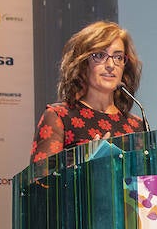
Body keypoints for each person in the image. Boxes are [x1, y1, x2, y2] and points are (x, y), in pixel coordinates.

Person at [31, 20, 145, 163]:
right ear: (83, 63)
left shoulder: (136, 125)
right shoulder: (59, 116)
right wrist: (88, 167)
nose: (110, 65)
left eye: (118, 57)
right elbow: (40, 182)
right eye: (99, 55)